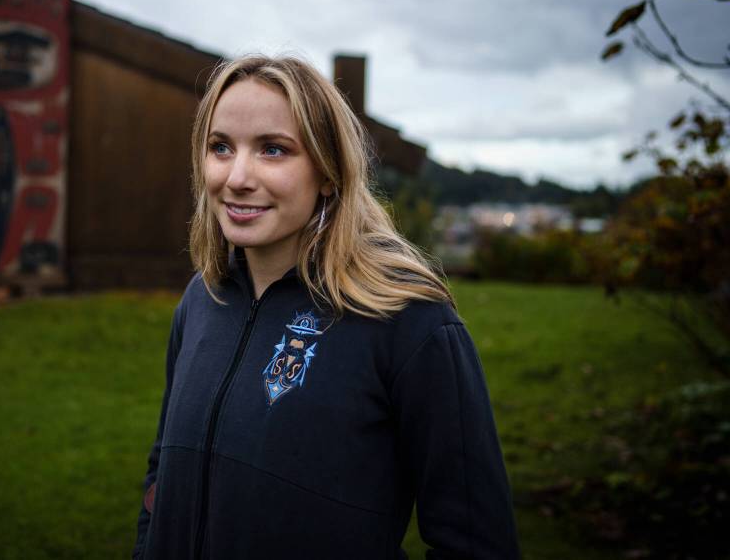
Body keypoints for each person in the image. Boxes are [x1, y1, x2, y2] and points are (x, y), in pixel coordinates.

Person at [133, 54, 520, 559]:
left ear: (330, 172)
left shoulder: (409, 320)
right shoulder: (202, 298)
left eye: (273, 150)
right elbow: (163, 470)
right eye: (220, 147)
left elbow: (476, 543)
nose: (237, 176)